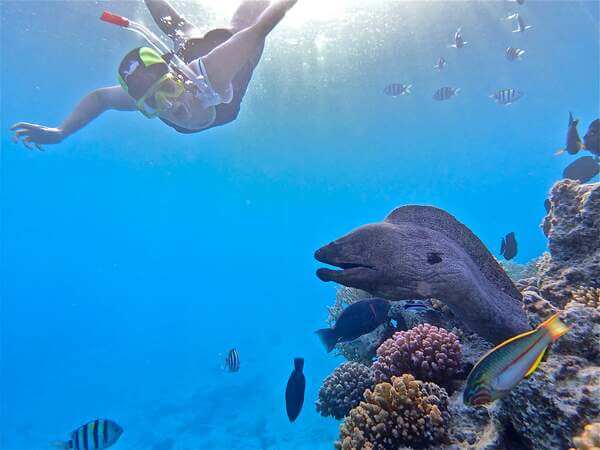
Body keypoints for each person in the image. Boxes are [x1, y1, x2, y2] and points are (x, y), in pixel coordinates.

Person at [11, 0, 297, 150]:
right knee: (186, 36)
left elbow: (260, 28)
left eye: (168, 91)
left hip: (216, 54)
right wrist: (62, 132)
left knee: (237, 26)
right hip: (192, 55)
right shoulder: (146, 96)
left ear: (178, 80)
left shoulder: (215, 71)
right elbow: (100, 98)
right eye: (153, 104)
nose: (168, 107)